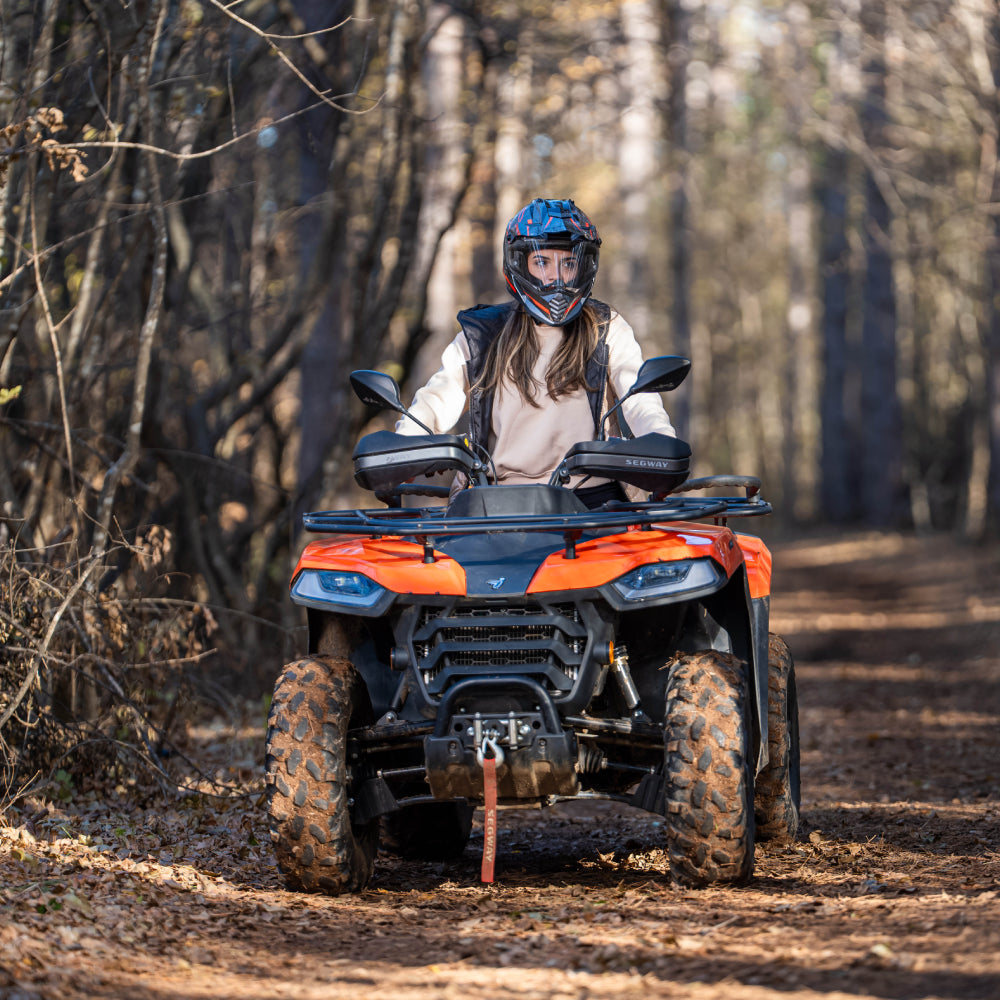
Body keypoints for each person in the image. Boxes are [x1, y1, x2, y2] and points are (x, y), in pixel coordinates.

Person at [396, 198, 677, 508]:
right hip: (498, 505)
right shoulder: (483, 336)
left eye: (568, 263)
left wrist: (660, 442)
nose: (556, 277)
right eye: (542, 262)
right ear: (519, 264)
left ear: (585, 267)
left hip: (594, 504)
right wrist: (406, 445)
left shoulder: (605, 327)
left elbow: (640, 398)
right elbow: (437, 401)